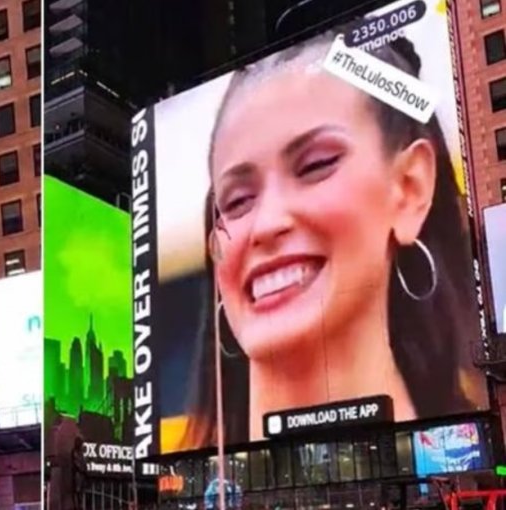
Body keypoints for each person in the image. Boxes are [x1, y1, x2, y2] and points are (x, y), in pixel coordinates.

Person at [181, 24, 481, 449]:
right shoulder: (185, 471)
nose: (267, 225)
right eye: (237, 200)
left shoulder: (462, 448)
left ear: (411, 187)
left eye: (316, 165)